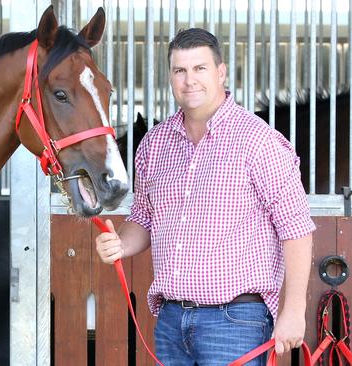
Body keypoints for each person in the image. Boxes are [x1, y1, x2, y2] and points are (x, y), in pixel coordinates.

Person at [95, 28, 315, 365]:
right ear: (171, 76)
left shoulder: (259, 142)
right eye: (180, 70)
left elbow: (296, 228)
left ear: (221, 72)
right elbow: (144, 217)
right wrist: (121, 245)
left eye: (200, 69)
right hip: (170, 320)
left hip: (234, 321)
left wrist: (294, 310)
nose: (189, 81)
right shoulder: (155, 143)